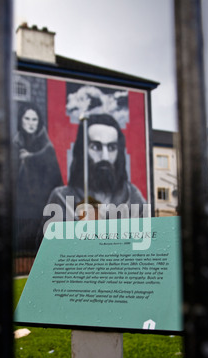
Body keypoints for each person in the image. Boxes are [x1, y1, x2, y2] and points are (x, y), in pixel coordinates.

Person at [46, 113, 146, 221]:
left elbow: (149, 236)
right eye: (95, 147)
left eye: (112, 148)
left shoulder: (133, 197)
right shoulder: (62, 198)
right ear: (82, 151)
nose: (105, 157)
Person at [13, 102, 63, 250]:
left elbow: (53, 169)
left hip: (43, 202)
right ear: (21, 120)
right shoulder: (16, 143)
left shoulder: (46, 144)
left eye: (34, 119)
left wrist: (29, 158)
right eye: (27, 118)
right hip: (21, 204)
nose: (31, 123)